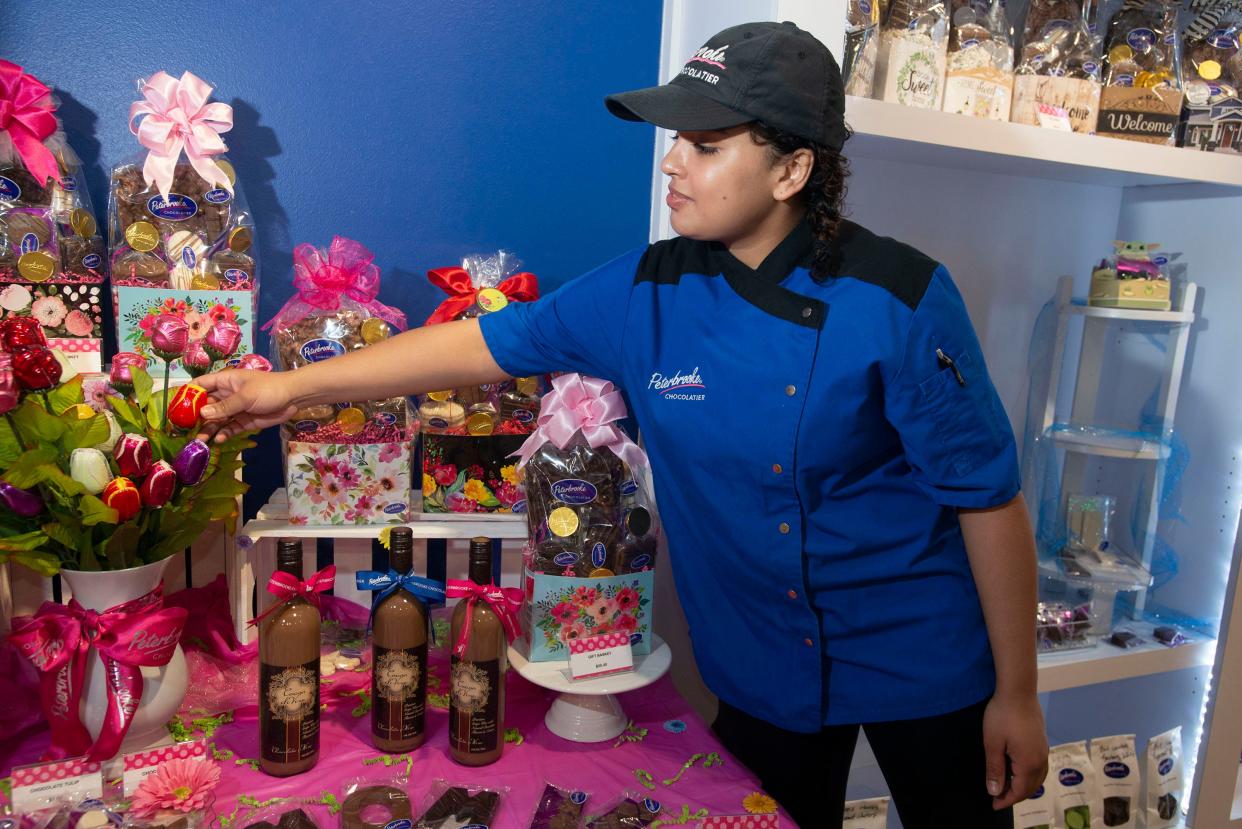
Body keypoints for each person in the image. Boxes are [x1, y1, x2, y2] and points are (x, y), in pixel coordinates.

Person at [200, 21, 1048, 828]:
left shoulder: (899, 298)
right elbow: (476, 346)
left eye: (706, 145)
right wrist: (290, 390)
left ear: (791, 171)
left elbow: (988, 500)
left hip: (922, 653)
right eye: (675, 139)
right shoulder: (647, 289)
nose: (672, 163)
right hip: (761, 663)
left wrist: (1017, 692)